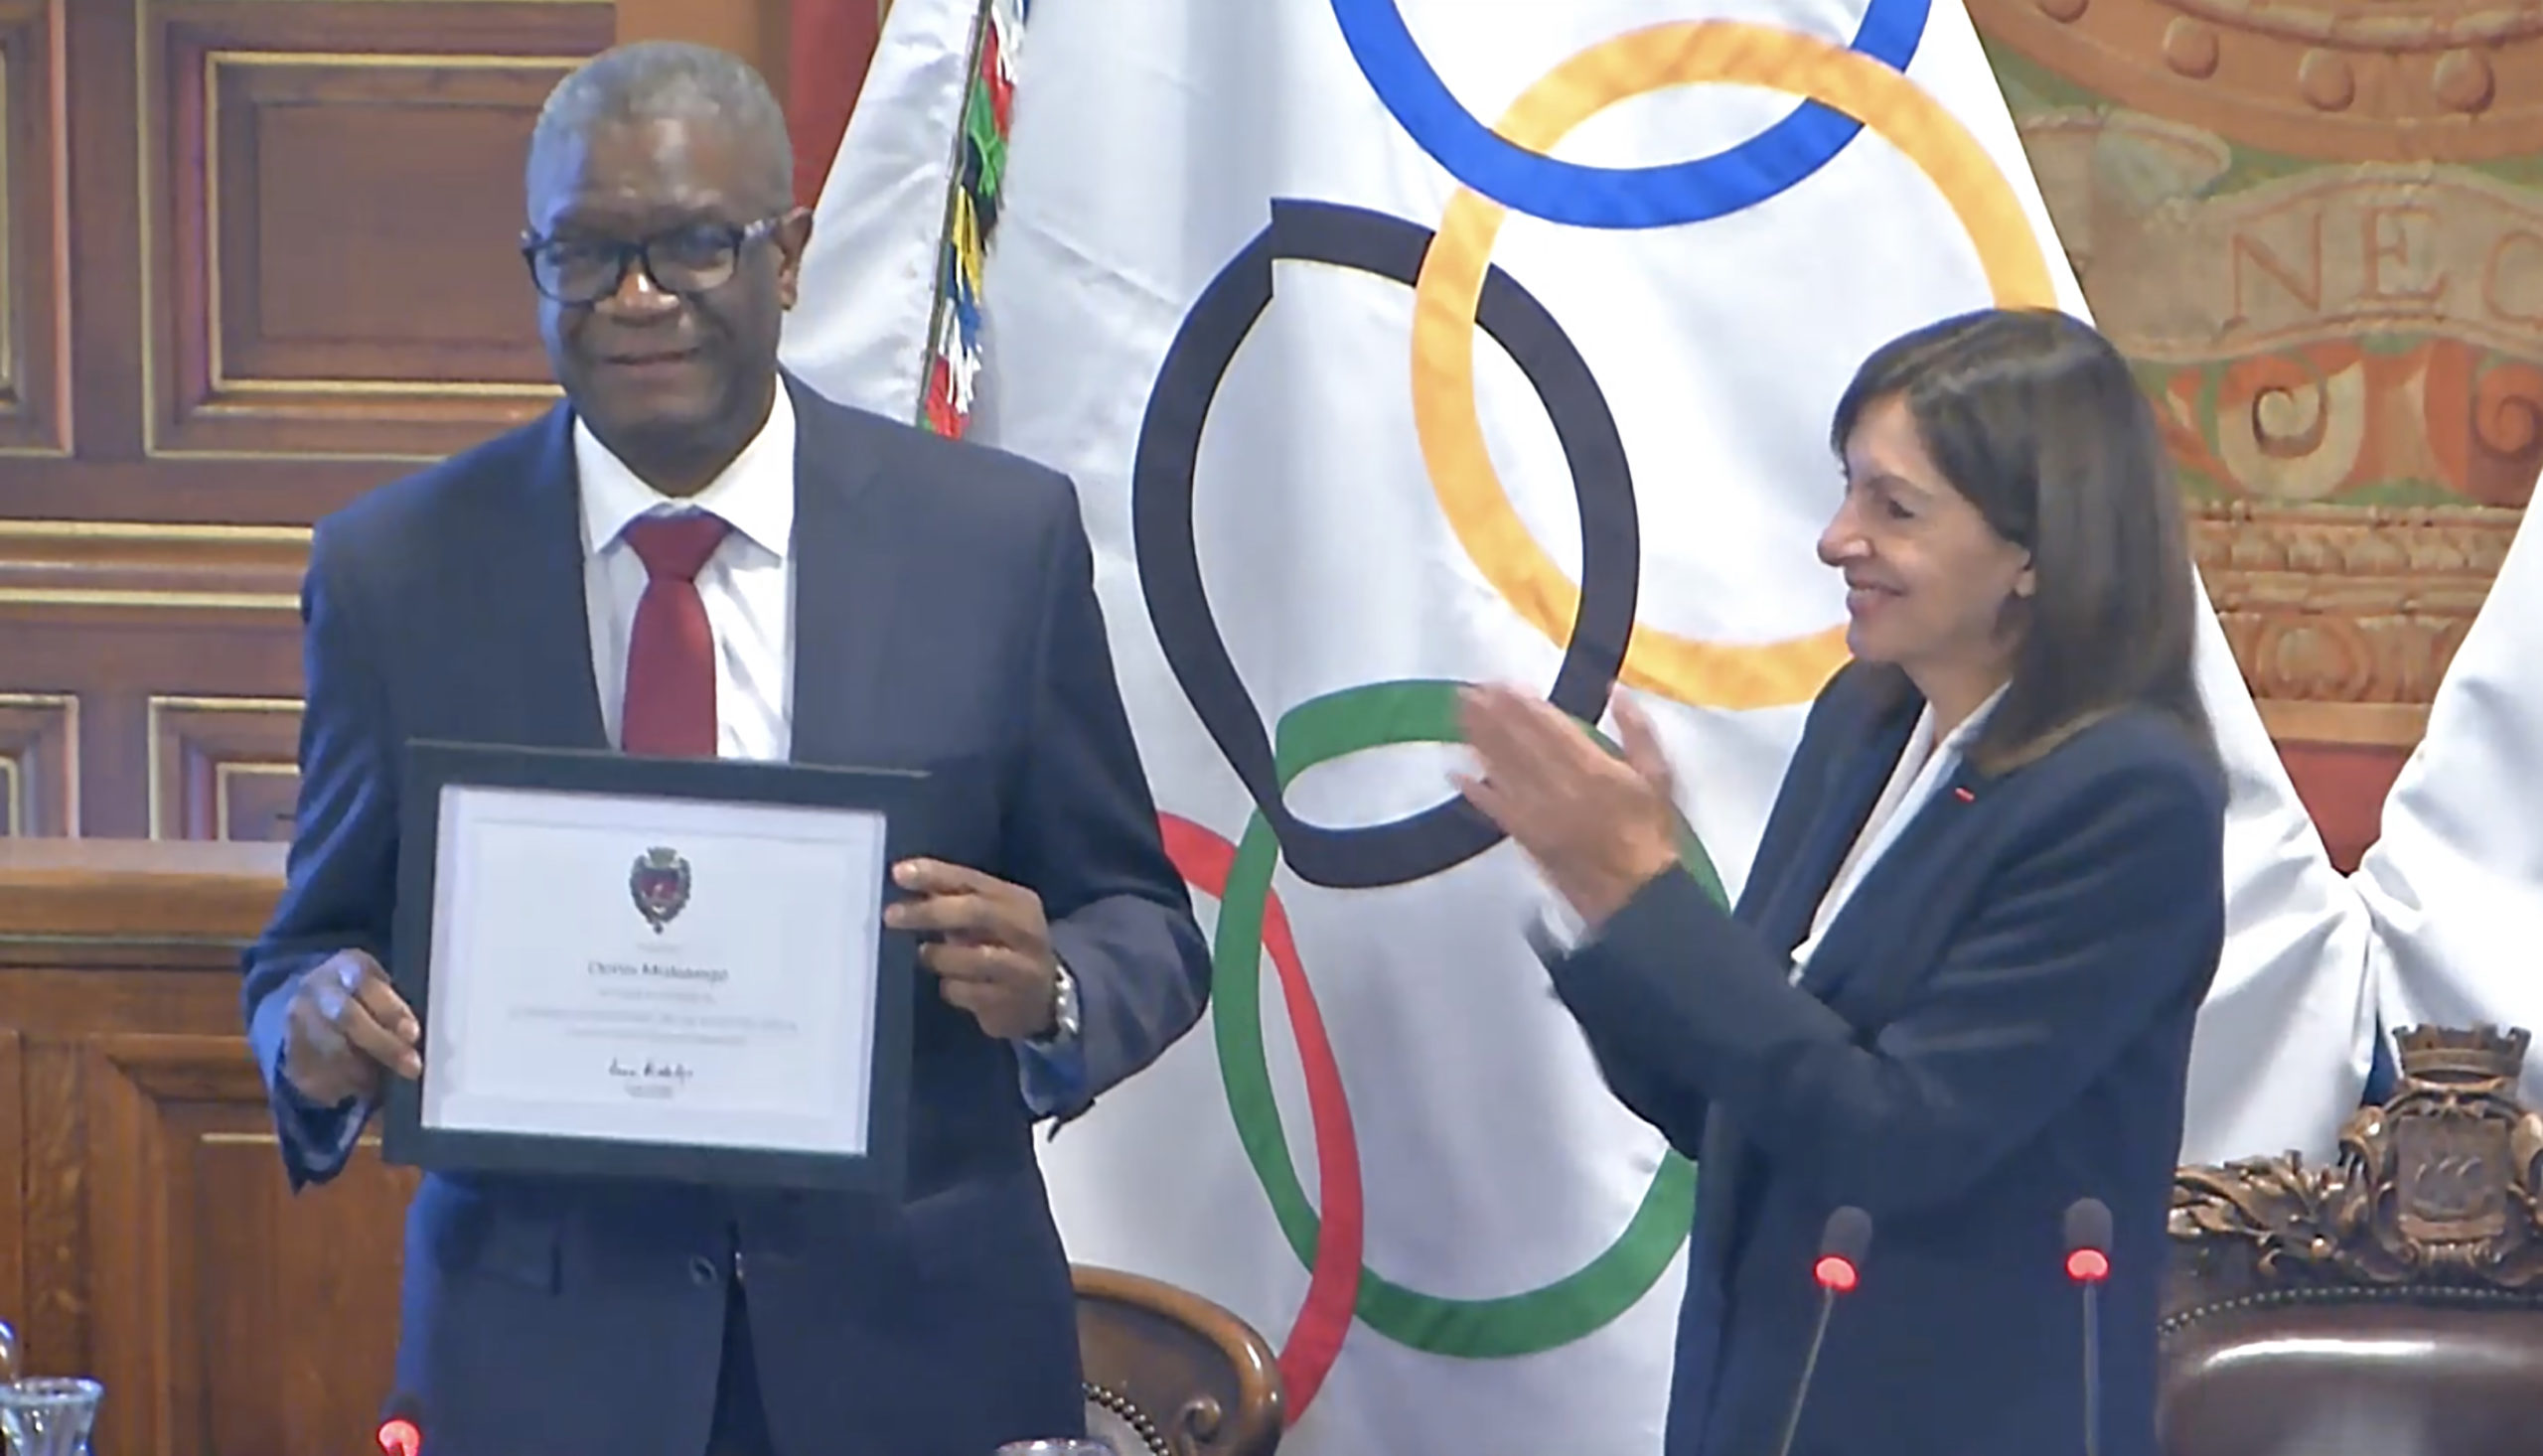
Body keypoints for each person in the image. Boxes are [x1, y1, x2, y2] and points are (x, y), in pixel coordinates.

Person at [237, 41, 1211, 1456]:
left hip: (917, 1357)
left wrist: (1056, 982)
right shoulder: (397, 571)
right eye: (585, 252)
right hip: (543, 1369)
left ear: (790, 255)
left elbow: (1147, 926)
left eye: (693, 243)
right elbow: (302, 953)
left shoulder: (993, 545)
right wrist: (315, 1029)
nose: (638, 296)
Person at [1456, 308, 2225, 1456]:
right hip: (1763, 1388)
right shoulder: (1863, 719)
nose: (1834, 538)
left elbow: (1895, 1139)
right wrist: (1613, 902)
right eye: (1846, 489)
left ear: (2035, 550)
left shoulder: (2129, 794)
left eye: (1893, 507)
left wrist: (1643, 896)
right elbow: (1741, 1102)